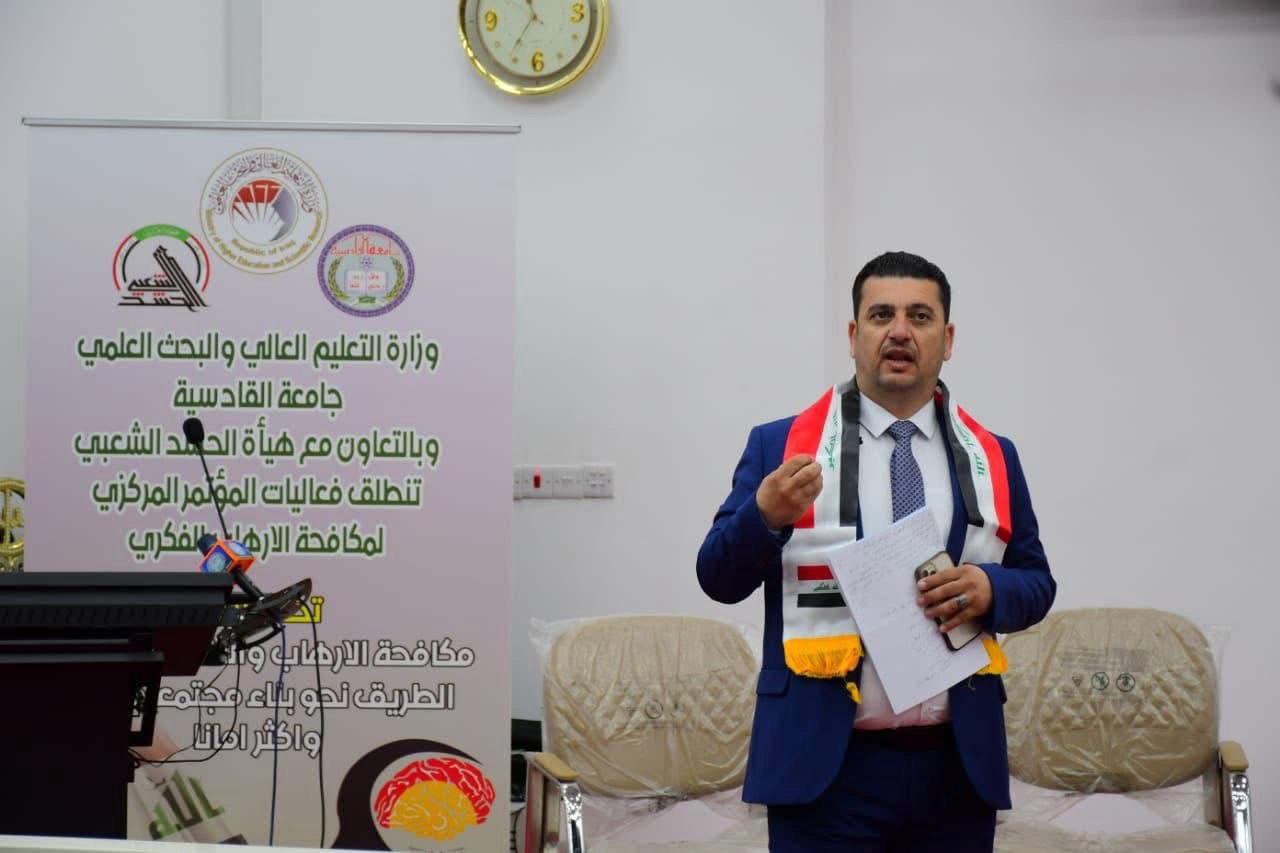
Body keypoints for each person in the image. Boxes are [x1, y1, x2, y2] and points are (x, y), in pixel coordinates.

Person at [696, 251, 1055, 852]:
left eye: (920, 316)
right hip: (824, 768)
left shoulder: (994, 455)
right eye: (882, 314)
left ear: (948, 339)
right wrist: (764, 517)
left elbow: (1037, 581)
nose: (900, 331)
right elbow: (717, 577)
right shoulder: (781, 446)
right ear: (853, 334)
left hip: (956, 766)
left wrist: (993, 589)